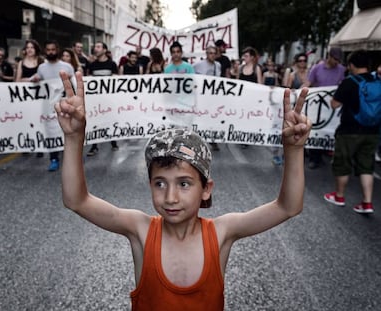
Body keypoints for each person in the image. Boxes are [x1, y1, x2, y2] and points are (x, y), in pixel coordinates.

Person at [55, 69, 311, 310]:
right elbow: (77, 200)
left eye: (184, 183)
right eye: (160, 183)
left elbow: (288, 207)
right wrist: (74, 138)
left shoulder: (222, 232)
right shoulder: (140, 230)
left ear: (206, 188)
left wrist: (294, 150)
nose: (170, 197)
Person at [323, 50, 379, 214]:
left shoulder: (349, 82)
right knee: (367, 166)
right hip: (372, 130)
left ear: (352, 65)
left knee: (343, 163)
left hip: (349, 130)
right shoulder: (378, 82)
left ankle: (339, 196)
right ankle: (367, 203)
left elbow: (335, 105)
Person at [31, 40, 74, 172]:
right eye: (48, 50)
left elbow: (74, 85)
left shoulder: (67, 67)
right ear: (45, 51)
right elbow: (38, 81)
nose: (50, 52)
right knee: (51, 132)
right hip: (48, 106)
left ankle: (69, 158)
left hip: (64, 104)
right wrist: (36, 78)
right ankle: (53, 159)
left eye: (53, 49)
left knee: (66, 130)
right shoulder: (42, 68)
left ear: (57, 50)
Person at [302, 46, 346, 169]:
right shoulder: (317, 68)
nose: (337, 62)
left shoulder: (341, 69)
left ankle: (321, 155)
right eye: (335, 59)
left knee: (327, 129)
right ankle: (314, 158)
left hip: (332, 104)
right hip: (317, 104)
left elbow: (342, 84)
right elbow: (308, 83)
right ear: (329, 56)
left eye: (339, 60)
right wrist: (298, 93)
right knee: (315, 129)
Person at [87, 42, 119, 156]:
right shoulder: (92, 65)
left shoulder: (112, 64)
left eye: (98, 46)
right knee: (95, 122)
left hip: (109, 100)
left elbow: (116, 81)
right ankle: (94, 146)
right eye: (95, 47)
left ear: (105, 50)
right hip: (96, 100)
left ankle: (113, 142)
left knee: (110, 120)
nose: (95, 49)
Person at [193, 46, 222, 151]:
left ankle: (212, 139)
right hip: (202, 97)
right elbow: (190, 73)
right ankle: (199, 140)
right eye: (210, 53)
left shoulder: (218, 65)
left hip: (214, 97)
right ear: (206, 54)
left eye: (214, 53)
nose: (212, 55)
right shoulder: (198, 65)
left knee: (213, 118)